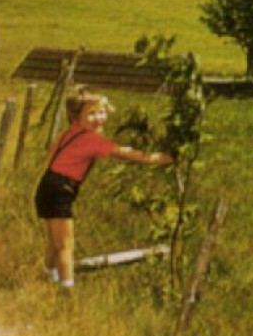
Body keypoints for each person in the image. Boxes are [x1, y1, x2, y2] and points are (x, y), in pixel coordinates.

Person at [35, 87, 171, 290]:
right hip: (60, 190)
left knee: (55, 242)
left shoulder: (71, 133)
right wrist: (155, 158)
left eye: (101, 112)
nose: (98, 118)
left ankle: (47, 275)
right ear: (75, 116)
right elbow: (123, 153)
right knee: (66, 246)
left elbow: (51, 156)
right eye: (91, 113)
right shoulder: (92, 140)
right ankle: (66, 289)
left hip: (48, 184)